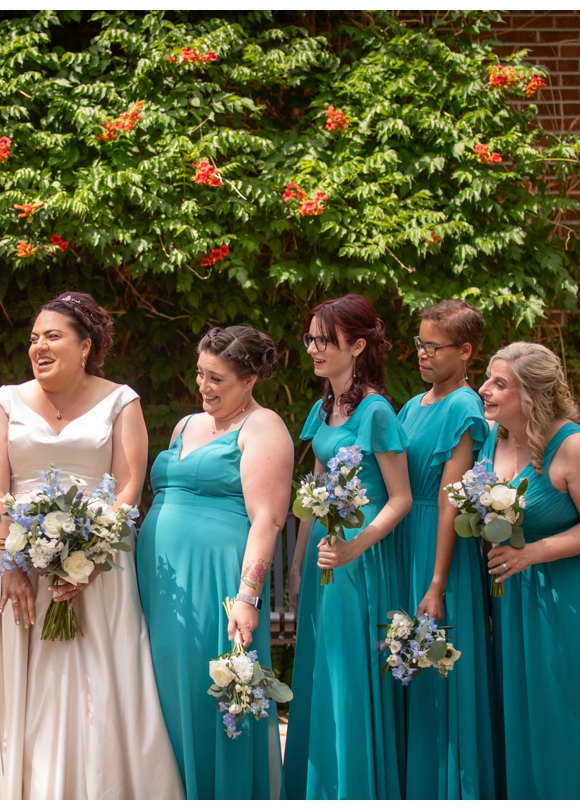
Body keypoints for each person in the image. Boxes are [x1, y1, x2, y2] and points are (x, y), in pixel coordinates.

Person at [0, 291, 181, 799]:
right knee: (12, 689)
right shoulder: (4, 401)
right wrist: (10, 561)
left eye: (52, 336)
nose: (39, 346)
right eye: (34, 338)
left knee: (90, 686)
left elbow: (126, 487)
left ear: (86, 345)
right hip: (13, 561)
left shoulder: (122, 400)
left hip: (96, 573)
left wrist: (92, 561)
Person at [479, 342, 580, 798]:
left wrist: (532, 553)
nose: (484, 389)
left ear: (530, 395)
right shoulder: (495, 439)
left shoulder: (573, 447)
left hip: (571, 597)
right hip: (515, 596)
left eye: (498, 383)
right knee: (528, 707)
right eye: (488, 378)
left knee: (571, 703)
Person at [137, 325, 291, 799]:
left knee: (207, 693)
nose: (203, 386)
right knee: (159, 689)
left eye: (217, 378)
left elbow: (266, 520)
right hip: (159, 581)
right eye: (200, 374)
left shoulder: (263, 427)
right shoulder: (186, 424)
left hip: (215, 581)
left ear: (249, 380)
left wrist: (246, 597)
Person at [282, 294, 410, 799]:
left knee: (349, 676)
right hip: (322, 563)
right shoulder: (321, 407)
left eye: (324, 340)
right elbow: (312, 494)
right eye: (310, 338)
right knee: (321, 671)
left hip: (361, 561)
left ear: (357, 345)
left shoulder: (377, 410)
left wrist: (355, 549)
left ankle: (354, 790)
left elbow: (399, 499)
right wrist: (296, 564)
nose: (314, 348)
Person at [396, 300, 495, 799]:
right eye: (419, 343)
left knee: (438, 664)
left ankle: (448, 790)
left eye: (433, 346)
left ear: (466, 351)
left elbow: (449, 497)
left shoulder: (464, 406)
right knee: (406, 662)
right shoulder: (413, 405)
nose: (422, 353)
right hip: (403, 543)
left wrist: (437, 583)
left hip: (440, 550)